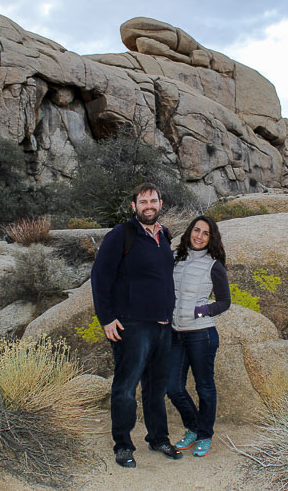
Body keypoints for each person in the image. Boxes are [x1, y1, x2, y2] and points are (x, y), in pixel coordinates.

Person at [90, 182, 182, 469]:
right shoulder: (122, 234)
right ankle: (122, 444)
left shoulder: (164, 235)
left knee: (156, 388)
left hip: (163, 326)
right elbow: (100, 277)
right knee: (126, 387)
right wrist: (106, 318)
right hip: (133, 326)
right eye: (143, 202)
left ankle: (158, 438)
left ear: (160, 203)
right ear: (134, 206)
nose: (148, 206)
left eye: (153, 201)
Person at [167, 215, 230, 457]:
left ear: (211, 239)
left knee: (205, 388)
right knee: (172, 387)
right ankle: (193, 428)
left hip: (201, 335)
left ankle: (205, 435)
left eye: (206, 233)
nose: (200, 236)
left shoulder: (214, 265)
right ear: (189, 232)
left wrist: (203, 310)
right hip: (175, 334)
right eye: (197, 230)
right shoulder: (175, 259)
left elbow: (225, 302)